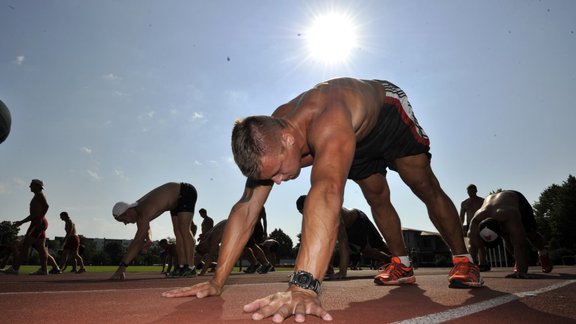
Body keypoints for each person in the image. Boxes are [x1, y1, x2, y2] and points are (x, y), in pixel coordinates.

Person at [163, 77, 482, 322]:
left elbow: (327, 191)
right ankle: (402, 264)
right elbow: (247, 208)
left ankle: (463, 259)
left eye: (276, 172)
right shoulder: (273, 136)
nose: (277, 181)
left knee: (421, 182)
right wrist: (217, 281)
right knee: (376, 195)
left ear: (288, 139)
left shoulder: (327, 122)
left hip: (385, 113)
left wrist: (303, 286)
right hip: (353, 135)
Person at [111, 182, 198, 279]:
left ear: (126, 213)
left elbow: (137, 242)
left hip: (184, 191)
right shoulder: (139, 211)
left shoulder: (143, 211)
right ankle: (182, 267)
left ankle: (191, 267)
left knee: (184, 229)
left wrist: (122, 268)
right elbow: (146, 228)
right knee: (177, 232)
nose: (125, 223)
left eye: (123, 220)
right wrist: (149, 239)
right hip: (174, 201)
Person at [296, 195, 391, 280]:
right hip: (347, 227)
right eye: (302, 213)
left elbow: (343, 242)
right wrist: (298, 270)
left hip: (358, 220)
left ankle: (398, 257)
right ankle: (387, 259)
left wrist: (343, 271)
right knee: (366, 251)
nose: (305, 215)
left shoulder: (331, 212)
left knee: (378, 244)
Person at [468, 190, 553, 278]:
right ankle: (518, 259)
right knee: (506, 238)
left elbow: (520, 244)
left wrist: (521, 270)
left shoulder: (510, 214)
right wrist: (468, 270)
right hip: (496, 205)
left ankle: (543, 253)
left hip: (517, 200)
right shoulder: (475, 221)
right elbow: (472, 246)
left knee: (531, 234)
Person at [1, 179, 61, 275]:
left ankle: (15, 268)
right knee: (41, 248)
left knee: (25, 245)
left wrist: (40, 219)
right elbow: (33, 214)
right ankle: (44, 269)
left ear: (37, 186)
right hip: (38, 221)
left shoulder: (39, 195)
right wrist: (22, 222)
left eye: (31, 185)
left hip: (37, 222)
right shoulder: (37, 196)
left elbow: (46, 206)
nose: (29, 187)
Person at [459, 184, 489, 271]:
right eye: (469, 191)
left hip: (481, 222)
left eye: (472, 190)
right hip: (470, 224)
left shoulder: (482, 201)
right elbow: (462, 216)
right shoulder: (464, 203)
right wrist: (460, 227)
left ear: (476, 190)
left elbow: (487, 212)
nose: (470, 192)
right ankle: (474, 262)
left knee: (481, 243)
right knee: (472, 243)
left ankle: (483, 262)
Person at [242, 207, 274, 274]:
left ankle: (265, 264)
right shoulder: (248, 204)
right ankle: (255, 263)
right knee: (245, 247)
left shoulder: (260, 206)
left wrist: (265, 231)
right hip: (249, 227)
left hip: (256, 228)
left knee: (252, 245)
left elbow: (264, 219)